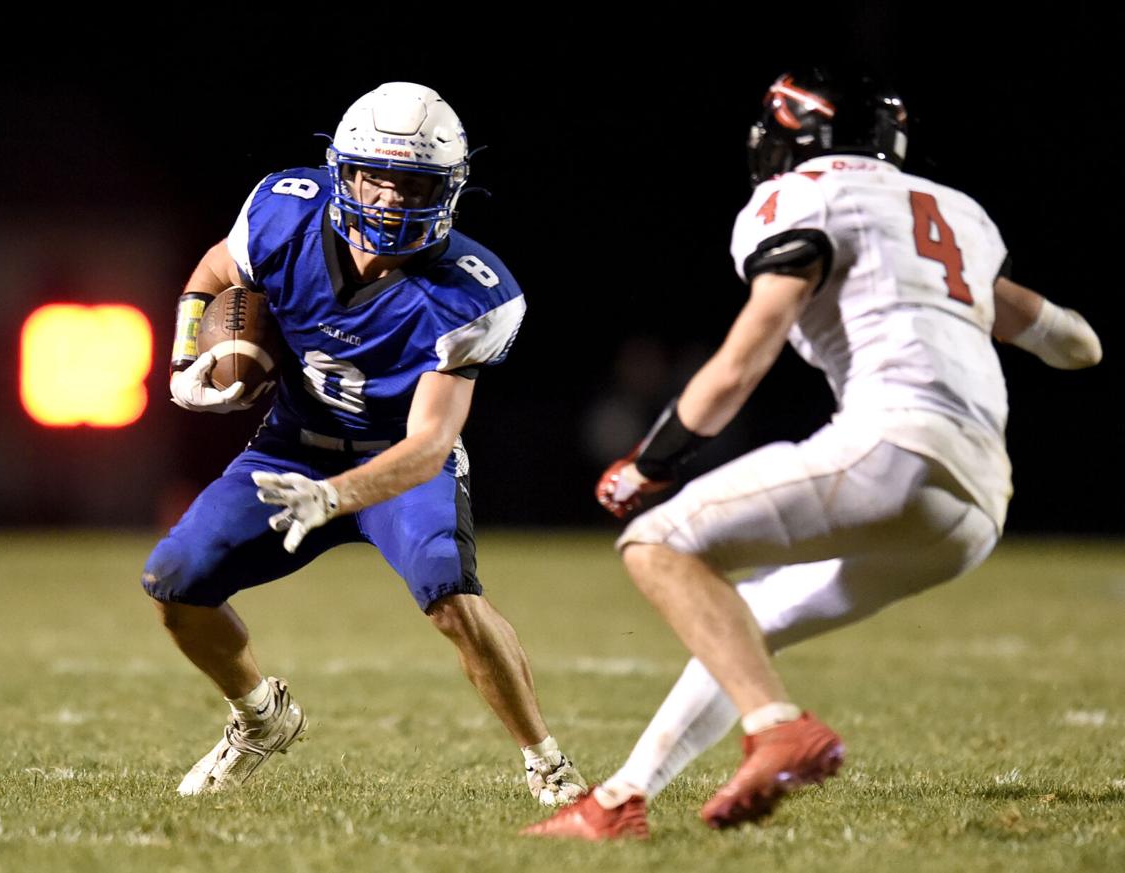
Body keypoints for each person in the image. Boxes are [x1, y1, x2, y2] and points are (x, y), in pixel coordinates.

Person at [523, 68, 1101, 840]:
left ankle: (778, 727)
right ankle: (620, 799)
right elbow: (1075, 343)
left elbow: (749, 346)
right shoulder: (952, 213)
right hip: (978, 501)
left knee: (655, 541)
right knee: (744, 618)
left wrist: (654, 461)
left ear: (788, 137)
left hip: (895, 448)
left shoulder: (801, 198)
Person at [143, 82, 586, 805]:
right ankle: (259, 718)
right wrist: (186, 354)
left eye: (411, 183)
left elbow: (432, 441)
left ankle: (549, 764)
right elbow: (215, 270)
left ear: (448, 189)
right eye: (372, 176)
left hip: (399, 463)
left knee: (451, 594)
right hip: (293, 449)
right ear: (341, 171)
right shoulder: (283, 211)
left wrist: (337, 496)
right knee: (174, 582)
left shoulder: (474, 291)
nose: (386, 198)